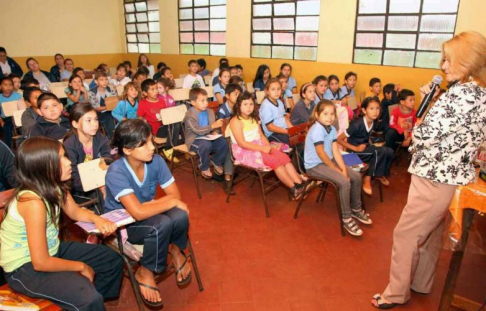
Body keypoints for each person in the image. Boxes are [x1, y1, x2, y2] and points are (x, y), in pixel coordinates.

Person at [371, 31, 486, 309]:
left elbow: (422, 134)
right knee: (430, 231)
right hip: (452, 176)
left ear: (467, 61)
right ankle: (421, 282)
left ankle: (396, 293)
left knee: (407, 233)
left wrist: (425, 111)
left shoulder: (458, 95)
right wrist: (434, 105)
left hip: (434, 175)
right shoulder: (480, 93)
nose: (442, 66)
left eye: (448, 60)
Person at [0, 136, 123, 311]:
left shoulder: (53, 186)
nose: (68, 162)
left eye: (65, 156)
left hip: (51, 251)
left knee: (112, 260)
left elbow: (74, 211)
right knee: (88, 299)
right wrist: (81, 266)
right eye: (60, 158)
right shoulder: (32, 202)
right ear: (43, 167)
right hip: (24, 269)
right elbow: (40, 262)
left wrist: (97, 218)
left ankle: (91, 302)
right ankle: (88, 302)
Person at [104, 119, 190, 307]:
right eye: (144, 144)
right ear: (127, 150)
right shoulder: (116, 171)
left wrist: (168, 202)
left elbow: (175, 194)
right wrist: (170, 202)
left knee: (180, 215)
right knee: (164, 222)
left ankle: (176, 250)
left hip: (149, 214)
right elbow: (137, 213)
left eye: (151, 140)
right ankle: (146, 270)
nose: (152, 147)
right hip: (126, 225)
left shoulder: (156, 161)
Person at [304, 100, 372, 236]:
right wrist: (338, 171)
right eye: (325, 114)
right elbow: (321, 154)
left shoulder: (332, 129)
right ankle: (346, 218)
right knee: (344, 181)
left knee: (356, 176)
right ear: (317, 115)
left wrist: (344, 169)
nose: (329, 117)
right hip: (315, 165)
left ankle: (356, 209)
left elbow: (335, 151)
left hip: (329, 160)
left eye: (332, 114)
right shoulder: (317, 129)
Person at [230, 91, 304, 199]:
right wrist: (262, 149)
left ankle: (300, 184)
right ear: (239, 105)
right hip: (245, 150)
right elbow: (242, 143)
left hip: (259, 146)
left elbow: (261, 135)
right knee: (275, 162)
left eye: (251, 104)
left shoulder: (253, 118)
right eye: (245, 104)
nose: (248, 107)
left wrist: (268, 147)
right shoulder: (236, 121)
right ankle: (294, 188)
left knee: (284, 157)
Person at [337, 97, 394, 195]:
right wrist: (355, 148)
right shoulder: (356, 125)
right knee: (379, 152)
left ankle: (380, 174)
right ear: (364, 110)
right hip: (353, 153)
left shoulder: (374, 121)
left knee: (389, 151)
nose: (375, 111)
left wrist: (376, 142)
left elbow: (367, 137)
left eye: (377, 108)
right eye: (371, 108)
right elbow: (338, 139)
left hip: (365, 150)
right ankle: (368, 179)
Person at [64, 103, 111, 204]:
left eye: (96, 119)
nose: (94, 124)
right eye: (88, 120)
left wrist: (103, 184)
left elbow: (107, 164)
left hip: (101, 183)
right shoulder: (69, 145)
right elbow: (73, 176)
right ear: (75, 124)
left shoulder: (102, 139)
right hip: (80, 189)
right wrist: (97, 185)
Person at [183, 88, 229, 179]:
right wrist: (212, 126)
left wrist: (215, 131)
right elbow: (197, 130)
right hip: (194, 140)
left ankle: (217, 161)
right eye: (202, 101)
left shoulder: (209, 111)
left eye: (206, 100)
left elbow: (212, 126)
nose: (206, 103)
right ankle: (204, 167)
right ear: (193, 102)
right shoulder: (189, 115)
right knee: (205, 145)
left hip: (208, 136)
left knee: (224, 141)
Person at [137, 79, 180, 163]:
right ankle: (168, 149)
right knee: (175, 124)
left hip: (164, 127)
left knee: (178, 123)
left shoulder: (162, 101)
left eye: (156, 88)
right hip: (154, 131)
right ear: (145, 93)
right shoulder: (142, 103)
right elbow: (140, 119)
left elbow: (166, 116)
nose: (156, 91)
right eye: (152, 89)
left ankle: (171, 148)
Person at [259, 78, 292, 145]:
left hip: (283, 130)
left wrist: (292, 129)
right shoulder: (266, 105)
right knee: (292, 141)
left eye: (278, 89)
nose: (276, 92)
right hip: (273, 134)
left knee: (299, 137)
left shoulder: (279, 102)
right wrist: (288, 132)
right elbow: (270, 127)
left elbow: (284, 117)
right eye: (273, 89)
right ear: (267, 91)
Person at [88, 71, 117, 138]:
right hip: (98, 113)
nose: (105, 81)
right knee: (109, 117)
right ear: (96, 81)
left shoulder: (110, 89)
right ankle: (112, 138)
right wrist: (109, 106)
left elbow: (115, 103)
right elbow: (97, 108)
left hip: (111, 111)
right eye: (101, 80)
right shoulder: (92, 92)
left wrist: (111, 106)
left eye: (106, 79)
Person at [0, 77, 22, 148]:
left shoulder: (18, 95)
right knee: (7, 127)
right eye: (5, 85)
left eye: (10, 85)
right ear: (0, 86)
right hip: (6, 119)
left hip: (18, 117)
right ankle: (8, 147)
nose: (8, 87)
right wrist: (1, 122)